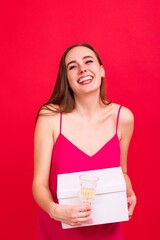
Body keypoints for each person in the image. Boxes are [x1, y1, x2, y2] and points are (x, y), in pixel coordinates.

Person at [32, 43, 137, 240]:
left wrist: (129, 193)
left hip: (107, 232)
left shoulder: (123, 118)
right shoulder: (50, 117)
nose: (83, 69)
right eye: (72, 66)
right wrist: (54, 210)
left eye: (89, 61)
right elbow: (39, 183)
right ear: (67, 79)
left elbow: (122, 171)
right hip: (57, 232)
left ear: (102, 70)